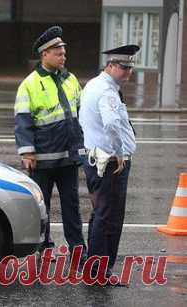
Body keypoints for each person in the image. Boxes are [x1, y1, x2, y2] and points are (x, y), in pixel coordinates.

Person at [14, 26, 86, 256]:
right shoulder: (30, 84)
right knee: (41, 207)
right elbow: (22, 121)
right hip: (41, 161)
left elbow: (81, 114)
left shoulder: (71, 79)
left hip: (69, 157)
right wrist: (27, 152)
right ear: (44, 54)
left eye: (64, 53)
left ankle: (77, 248)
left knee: (72, 207)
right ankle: (44, 247)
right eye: (58, 53)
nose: (63, 57)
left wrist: (84, 147)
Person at [79, 44, 139, 282]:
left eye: (130, 68)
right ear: (111, 65)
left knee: (100, 214)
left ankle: (94, 266)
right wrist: (120, 153)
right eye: (124, 68)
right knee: (111, 217)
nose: (128, 73)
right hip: (111, 161)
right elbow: (113, 124)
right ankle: (100, 271)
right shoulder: (106, 91)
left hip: (95, 157)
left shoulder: (94, 84)